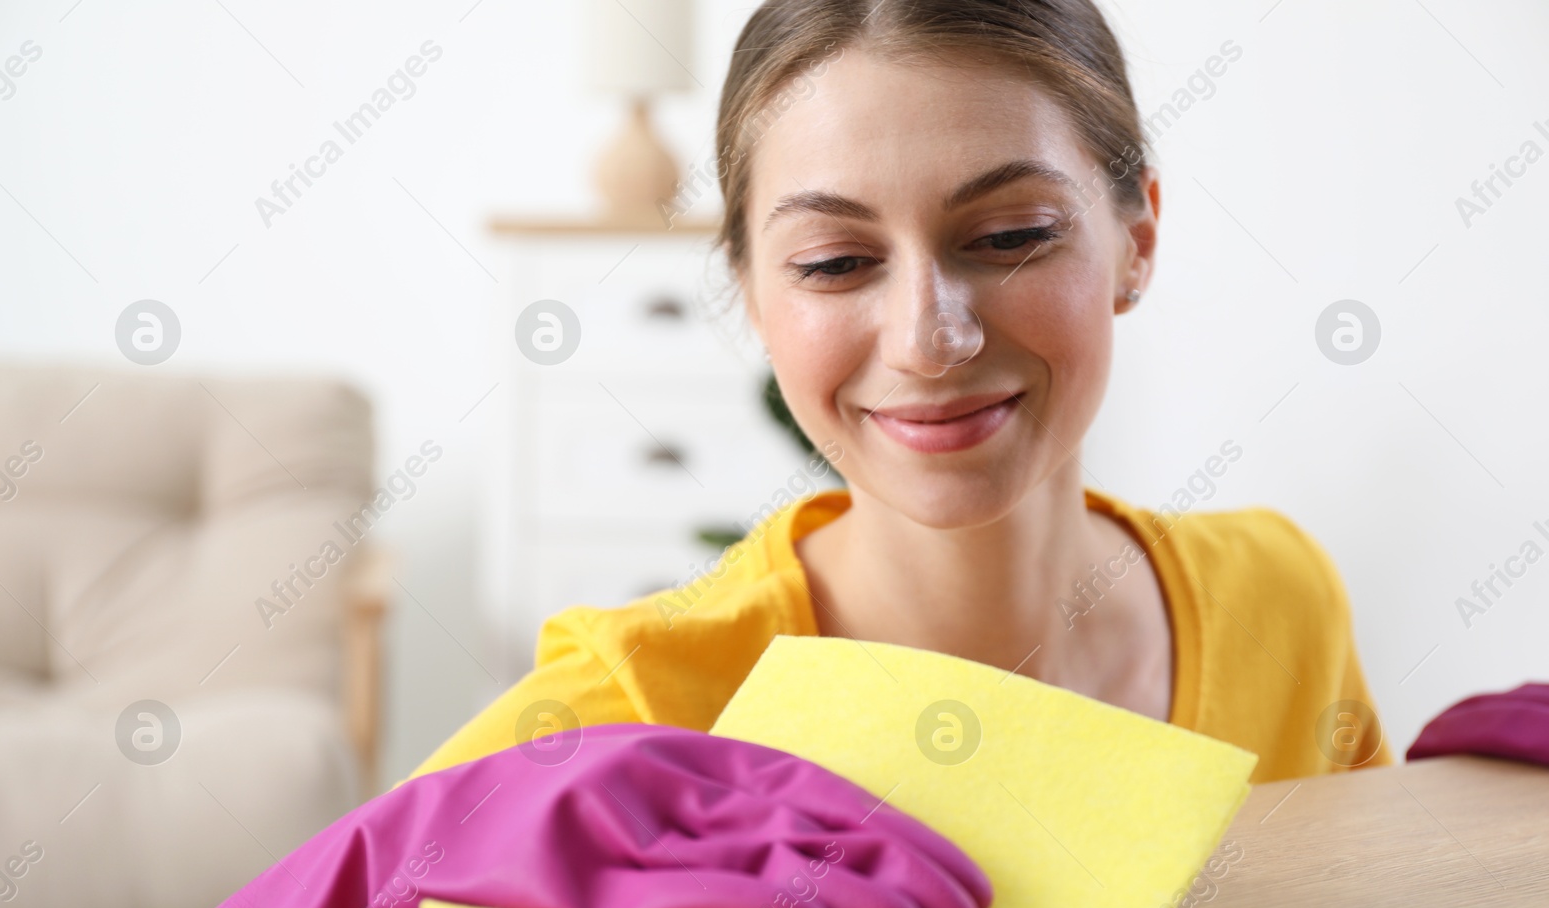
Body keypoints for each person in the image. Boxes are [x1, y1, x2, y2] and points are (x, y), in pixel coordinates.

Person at [409, 0, 1390, 786]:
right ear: (751, 291)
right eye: (836, 262)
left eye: (1010, 237)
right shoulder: (640, 700)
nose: (929, 340)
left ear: (1136, 241)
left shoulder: (1280, 599)